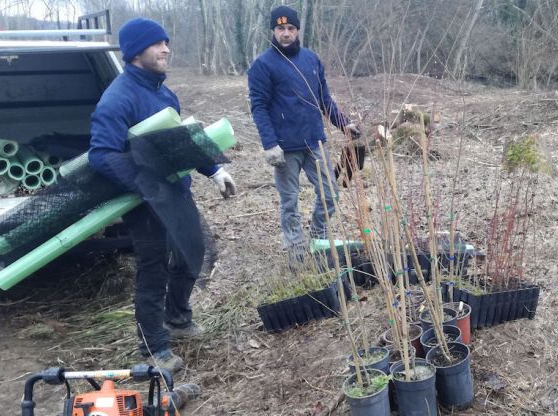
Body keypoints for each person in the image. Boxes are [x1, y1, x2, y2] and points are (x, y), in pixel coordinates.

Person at [88, 17, 237, 373]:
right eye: (158, 44)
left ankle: (177, 318)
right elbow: (101, 153)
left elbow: (179, 144)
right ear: (137, 51)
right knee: (153, 269)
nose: (166, 49)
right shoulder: (117, 99)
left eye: (166, 42)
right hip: (145, 200)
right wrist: (143, 183)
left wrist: (215, 170)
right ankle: (153, 347)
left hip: (174, 192)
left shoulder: (164, 93)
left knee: (194, 252)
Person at [248, 5, 360, 264]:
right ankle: (296, 249)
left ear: (298, 30)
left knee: (331, 193)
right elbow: (259, 106)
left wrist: (344, 124)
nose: (285, 33)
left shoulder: (311, 59)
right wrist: (270, 144)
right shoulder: (262, 65)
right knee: (290, 202)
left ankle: (318, 237)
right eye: (280, 29)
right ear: (273, 31)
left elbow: (325, 99)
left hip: (314, 141)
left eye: (290, 28)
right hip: (284, 148)